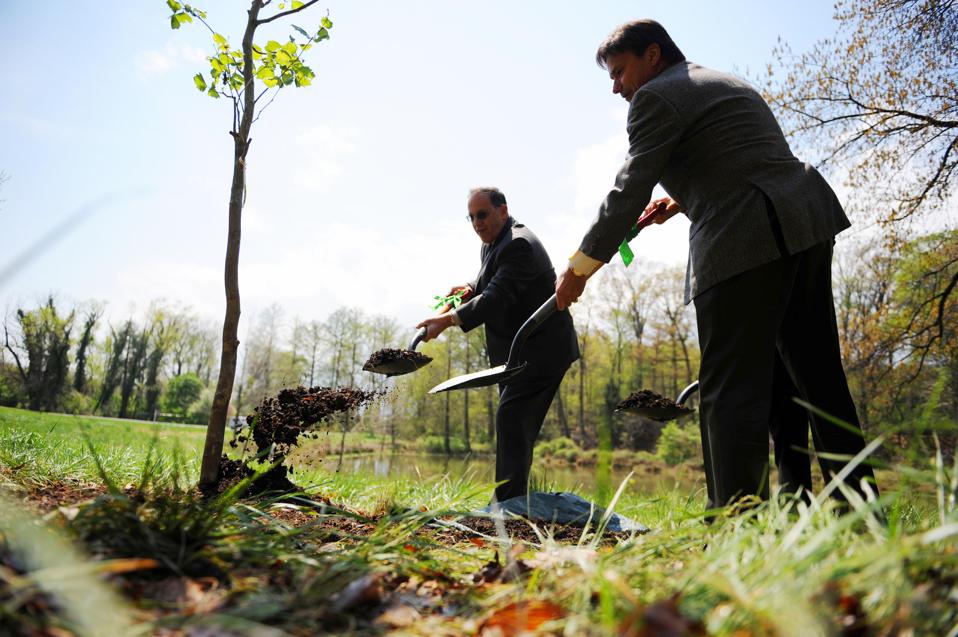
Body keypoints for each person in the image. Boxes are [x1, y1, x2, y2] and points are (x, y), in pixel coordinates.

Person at [554, 20, 879, 510]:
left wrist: (579, 268)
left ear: (653, 55)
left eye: (620, 72)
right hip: (804, 222)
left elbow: (628, 190)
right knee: (817, 381)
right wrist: (682, 201)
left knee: (730, 392)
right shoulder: (723, 81)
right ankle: (857, 510)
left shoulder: (656, 97)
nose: (616, 87)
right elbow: (744, 158)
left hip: (743, 238)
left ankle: (734, 521)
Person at [417, 187, 579, 502]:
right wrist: (469, 287)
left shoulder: (519, 244)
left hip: (541, 351)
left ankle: (508, 505)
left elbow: (497, 297)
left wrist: (447, 320)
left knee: (512, 419)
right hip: (519, 356)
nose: (477, 223)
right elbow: (489, 282)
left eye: (483, 215)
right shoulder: (494, 242)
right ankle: (511, 501)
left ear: (502, 212)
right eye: (472, 217)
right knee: (513, 422)